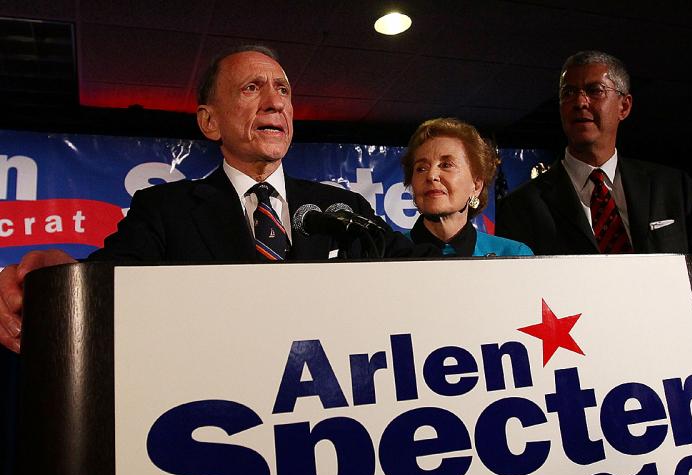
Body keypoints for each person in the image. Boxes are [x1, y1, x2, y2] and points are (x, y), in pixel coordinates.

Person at [0, 45, 432, 354]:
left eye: (283, 90)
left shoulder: (343, 208)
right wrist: (54, 271)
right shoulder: (165, 210)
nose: (274, 103)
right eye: (251, 89)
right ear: (210, 121)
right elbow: (107, 281)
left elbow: (420, 271)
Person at [495, 50, 692, 343]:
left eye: (594, 90)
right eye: (568, 93)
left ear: (624, 105)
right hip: (582, 370)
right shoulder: (520, 207)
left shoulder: (671, 187)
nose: (580, 102)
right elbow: (516, 301)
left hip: (676, 360)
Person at [402, 118, 532, 257]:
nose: (431, 175)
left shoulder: (512, 255)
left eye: (446, 165)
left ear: (476, 186)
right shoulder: (386, 254)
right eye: (421, 168)